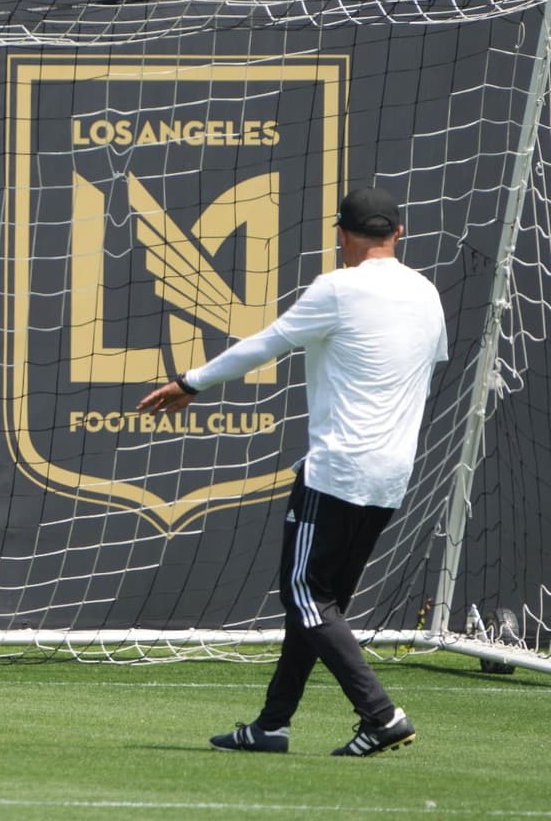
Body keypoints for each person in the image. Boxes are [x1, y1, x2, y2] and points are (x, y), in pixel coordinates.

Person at [137, 187, 447, 756]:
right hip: (391, 476)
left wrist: (190, 383)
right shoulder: (427, 293)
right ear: (397, 234)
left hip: (336, 471)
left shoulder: (338, 287)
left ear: (342, 234)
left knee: (305, 593)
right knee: (320, 604)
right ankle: (272, 725)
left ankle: (381, 715)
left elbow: (268, 343)